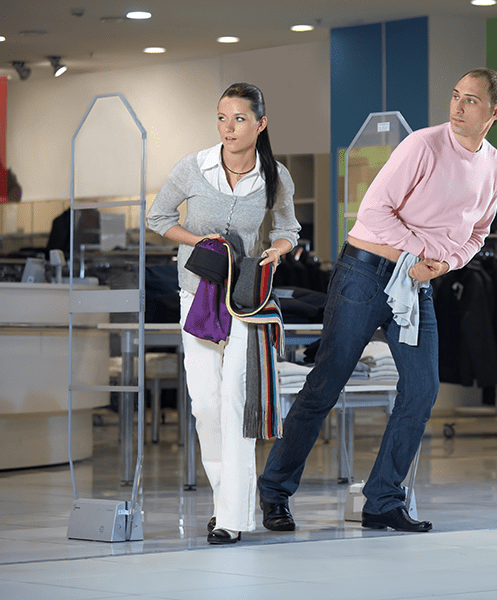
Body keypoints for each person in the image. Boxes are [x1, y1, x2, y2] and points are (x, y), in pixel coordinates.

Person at [257, 68, 497, 533]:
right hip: (367, 270)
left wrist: (445, 264)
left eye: (470, 100)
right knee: (327, 383)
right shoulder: (422, 145)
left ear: (494, 111)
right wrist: (417, 255)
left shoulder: (494, 164)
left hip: (418, 279)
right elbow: (373, 211)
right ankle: (274, 491)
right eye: (455, 96)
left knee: (422, 388)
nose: (456, 106)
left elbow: (478, 232)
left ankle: (383, 500)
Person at [147, 83, 301, 544]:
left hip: (245, 301)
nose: (228, 128)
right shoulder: (194, 168)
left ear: (260, 124)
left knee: (235, 399)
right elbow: (158, 218)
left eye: (238, 119)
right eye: (221, 118)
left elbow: (288, 226)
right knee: (206, 405)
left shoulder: (276, 176)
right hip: (196, 297)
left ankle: (231, 520)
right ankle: (226, 503)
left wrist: (277, 248)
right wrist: (201, 243)